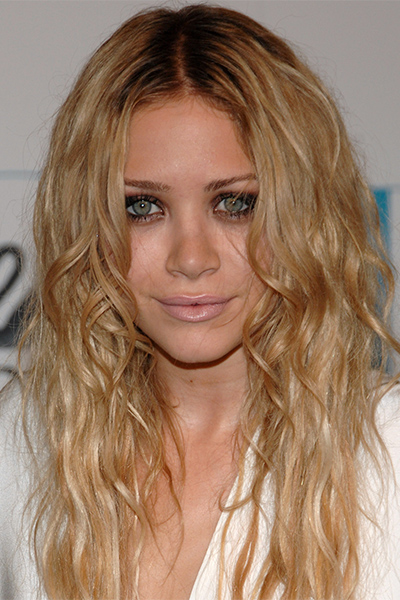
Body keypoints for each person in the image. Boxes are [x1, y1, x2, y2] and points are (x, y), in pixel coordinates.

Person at [1, 4, 399, 600]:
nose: (191, 258)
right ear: (89, 223)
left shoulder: (388, 450)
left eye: (235, 204)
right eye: (142, 207)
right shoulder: (23, 444)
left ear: (304, 214)